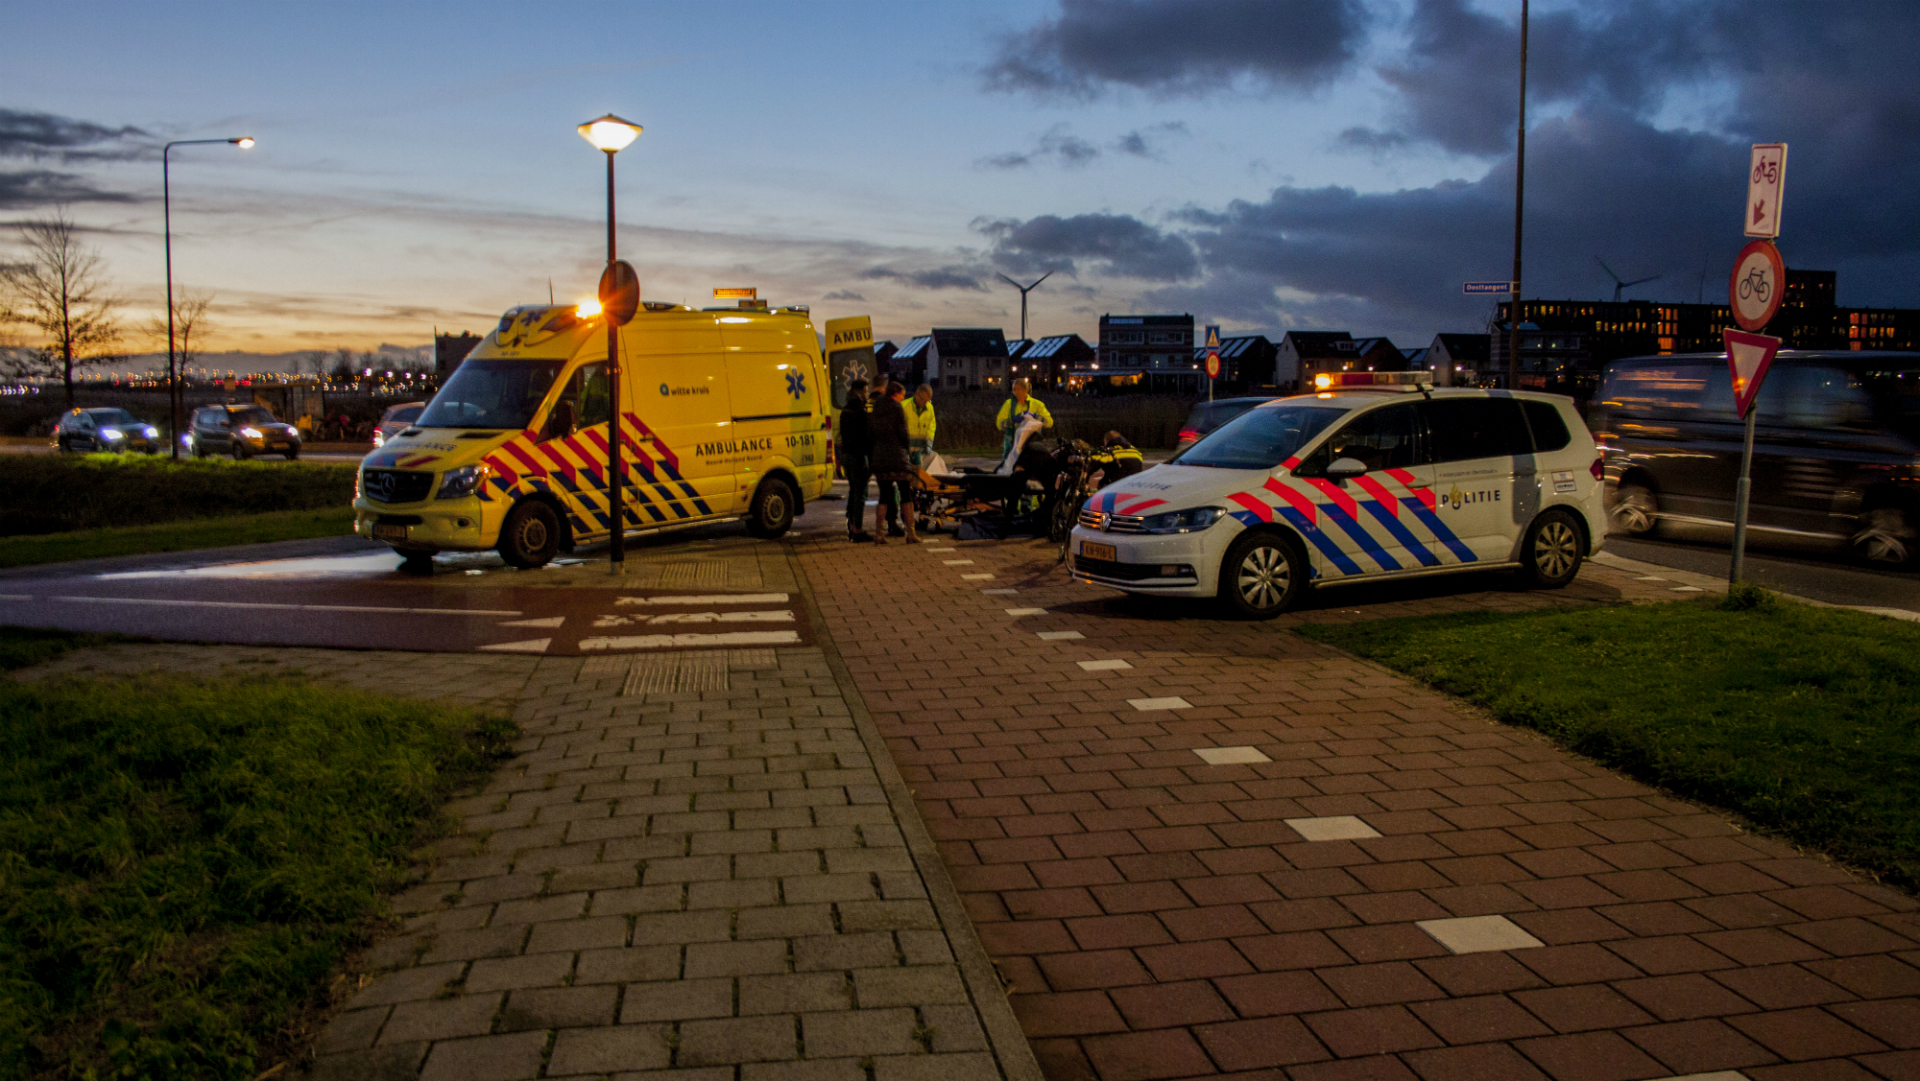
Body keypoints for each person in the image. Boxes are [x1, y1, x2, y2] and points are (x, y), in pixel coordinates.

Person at [867, 381, 918, 544]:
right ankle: (911, 533)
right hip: (897, 457)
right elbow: (903, 433)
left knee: (884, 496)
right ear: (895, 395)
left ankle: (879, 533)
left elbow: (871, 433)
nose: (903, 399)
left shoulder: (876, 408)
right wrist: (907, 449)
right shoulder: (897, 408)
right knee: (905, 493)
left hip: (880, 458)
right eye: (902, 395)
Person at [838, 379, 874, 542]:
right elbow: (867, 438)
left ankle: (851, 526)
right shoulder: (860, 410)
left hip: (847, 455)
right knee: (860, 495)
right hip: (859, 456)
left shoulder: (845, 409)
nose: (867, 395)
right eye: (866, 391)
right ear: (859, 392)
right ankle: (857, 530)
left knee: (853, 491)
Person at [994, 377, 1054, 458]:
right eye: (1014, 390)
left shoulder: (1037, 405)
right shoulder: (1008, 404)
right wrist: (1012, 421)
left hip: (1032, 444)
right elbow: (999, 424)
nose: (1016, 392)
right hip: (1012, 446)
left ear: (1025, 389)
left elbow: (1049, 422)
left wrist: (1035, 416)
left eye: (1018, 389)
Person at [904, 383, 937, 469]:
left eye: (927, 400)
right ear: (917, 394)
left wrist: (929, 444)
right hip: (905, 450)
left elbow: (931, 427)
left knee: (918, 472)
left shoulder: (929, 407)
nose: (925, 403)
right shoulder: (904, 406)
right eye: (923, 400)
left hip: (919, 449)